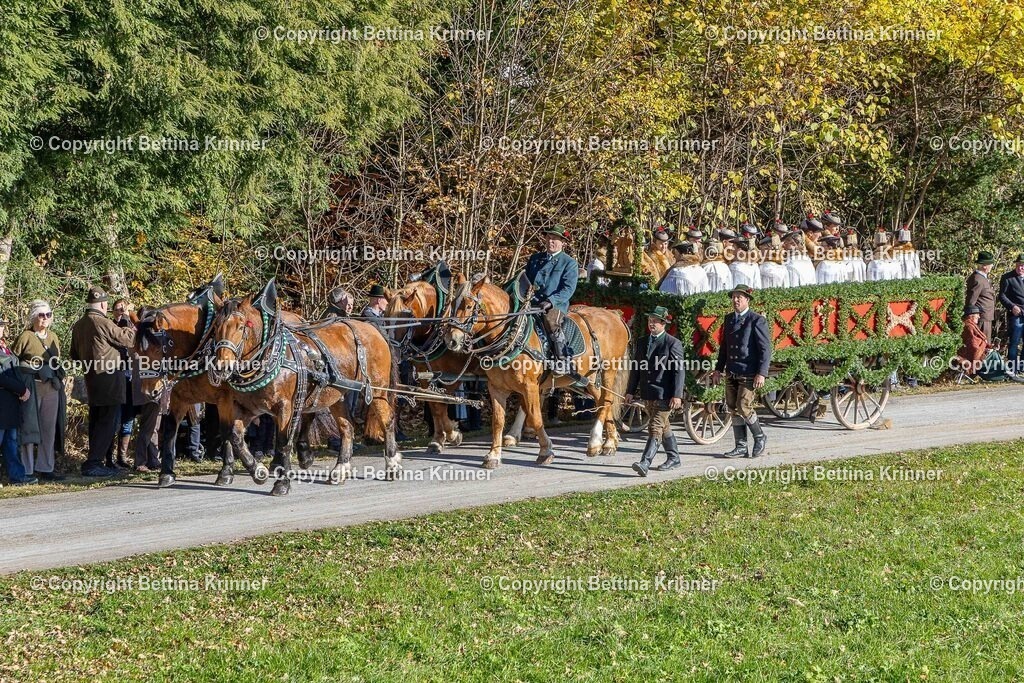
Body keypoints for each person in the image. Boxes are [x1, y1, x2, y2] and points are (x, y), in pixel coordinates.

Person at [70, 286, 137, 477]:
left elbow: (74, 355)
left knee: (97, 422)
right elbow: (128, 339)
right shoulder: (102, 322)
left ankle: (93, 460)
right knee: (108, 422)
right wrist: (126, 320)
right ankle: (94, 463)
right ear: (102, 304)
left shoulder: (79, 325)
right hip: (109, 380)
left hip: (91, 380)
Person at [712, 284, 772, 458]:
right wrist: (718, 369)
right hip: (732, 370)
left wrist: (762, 372)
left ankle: (760, 436)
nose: (736, 300)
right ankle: (741, 446)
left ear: (747, 300)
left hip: (749, 371)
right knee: (733, 408)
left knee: (743, 406)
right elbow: (724, 347)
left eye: (739, 297)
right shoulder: (729, 319)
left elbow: (765, 349)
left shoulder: (757, 320)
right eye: (734, 297)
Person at [624, 306, 685, 476]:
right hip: (648, 393)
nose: (651, 323)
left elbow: (679, 371)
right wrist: (630, 391)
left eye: (655, 321)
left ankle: (645, 462)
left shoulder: (672, 343)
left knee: (655, 427)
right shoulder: (642, 342)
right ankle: (674, 458)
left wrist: (677, 395)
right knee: (664, 426)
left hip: (665, 394)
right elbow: (636, 369)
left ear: (664, 323)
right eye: (650, 320)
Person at [12, 299, 65, 481]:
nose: (45, 318)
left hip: (50, 385)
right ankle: (26, 469)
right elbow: (13, 361)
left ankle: (46, 467)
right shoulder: (25, 336)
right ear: (34, 317)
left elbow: (56, 361)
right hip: (31, 385)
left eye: (48, 315)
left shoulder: (53, 337)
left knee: (49, 428)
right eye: (41, 315)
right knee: (28, 426)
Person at [525, 225, 580, 377]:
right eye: (548, 238)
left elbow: (568, 289)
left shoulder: (569, 263)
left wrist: (550, 301)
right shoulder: (535, 259)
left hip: (555, 305)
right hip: (532, 302)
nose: (551, 241)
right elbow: (525, 281)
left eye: (555, 239)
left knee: (551, 321)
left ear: (563, 242)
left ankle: (562, 358)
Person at [0, 318, 36, 485]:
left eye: (1, 326)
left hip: (10, 404)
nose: (1, 329)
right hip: (3, 403)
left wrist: (20, 390)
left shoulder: (5, 347)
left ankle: (18, 476)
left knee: (11, 444)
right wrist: (21, 389)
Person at [107, 299, 135, 470]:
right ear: (112, 311)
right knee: (115, 418)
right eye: (118, 309)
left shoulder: (131, 325)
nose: (121, 312)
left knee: (128, 418)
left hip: (130, 376)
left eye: (124, 309)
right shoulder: (110, 326)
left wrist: (129, 319)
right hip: (115, 374)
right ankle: (108, 457)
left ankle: (122, 456)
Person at [998, 254, 1024, 375]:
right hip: (1016, 315)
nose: (1020, 268)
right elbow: (1002, 296)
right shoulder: (1007, 278)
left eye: (1023, 266)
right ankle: (1012, 368)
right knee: (1014, 342)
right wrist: (1012, 306)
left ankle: (1022, 368)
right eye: (1019, 265)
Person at [966, 252, 997, 341]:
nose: (992, 266)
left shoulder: (982, 277)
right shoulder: (978, 279)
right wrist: (972, 316)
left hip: (985, 316)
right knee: (982, 343)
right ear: (984, 266)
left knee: (985, 342)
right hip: (981, 318)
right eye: (990, 264)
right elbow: (971, 301)